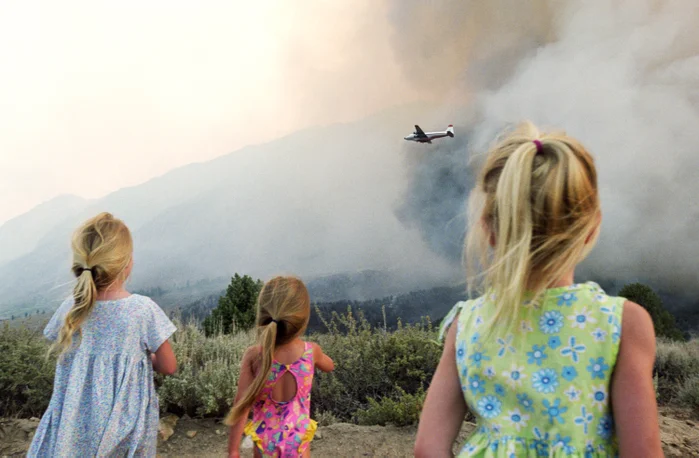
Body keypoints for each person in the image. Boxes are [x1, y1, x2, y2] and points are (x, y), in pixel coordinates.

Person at [414, 122, 662, 457]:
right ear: (591, 228)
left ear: (488, 230)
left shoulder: (466, 323)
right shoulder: (622, 323)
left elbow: (427, 449)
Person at [28, 212, 178, 457]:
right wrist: (140, 359)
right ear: (126, 263)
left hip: (73, 427)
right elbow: (169, 366)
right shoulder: (142, 310)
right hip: (122, 426)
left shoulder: (71, 308)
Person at [225, 276, 335, 458]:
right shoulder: (311, 352)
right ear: (302, 320)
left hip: (265, 444)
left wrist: (233, 451)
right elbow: (329, 366)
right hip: (298, 441)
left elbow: (241, 405)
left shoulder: (254, 356)